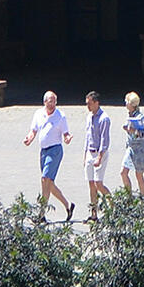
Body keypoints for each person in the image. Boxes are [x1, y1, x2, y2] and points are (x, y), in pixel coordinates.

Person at [28, 91, 73, 222]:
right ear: (44, 102)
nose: (53, 104)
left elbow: (66, 133)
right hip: (43, 151)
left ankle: (41, 214)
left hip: (55, 150)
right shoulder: (38, 114)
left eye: (55, 101)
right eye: (50, 101)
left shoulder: (60, 116)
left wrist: (68, 138)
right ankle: (68, 205)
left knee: (45, 179)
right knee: (49, 183)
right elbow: (33, 130)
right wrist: (29, 139)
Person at [83, 91, 112, 217]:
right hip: (90, 152)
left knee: (98, 183)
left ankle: (113, 204)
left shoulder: (104, 118)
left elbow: (105, 139)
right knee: (91, 184)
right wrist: (85, 156)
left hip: (99, 154)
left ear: (96, 103)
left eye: (89, 104)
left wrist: (100, 157)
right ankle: (93, 213)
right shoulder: (89, 117)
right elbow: (87, 136)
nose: (88, 106)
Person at [121, 93, 144, 196]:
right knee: (123, 172)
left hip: (139, 150)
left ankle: (143, 198)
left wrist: (135, 131)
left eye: (127, 102)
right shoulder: (129, 115)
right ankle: (128, 196)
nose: (125, 104)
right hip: (130, 149)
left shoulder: (140, 117)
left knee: (139, 175)